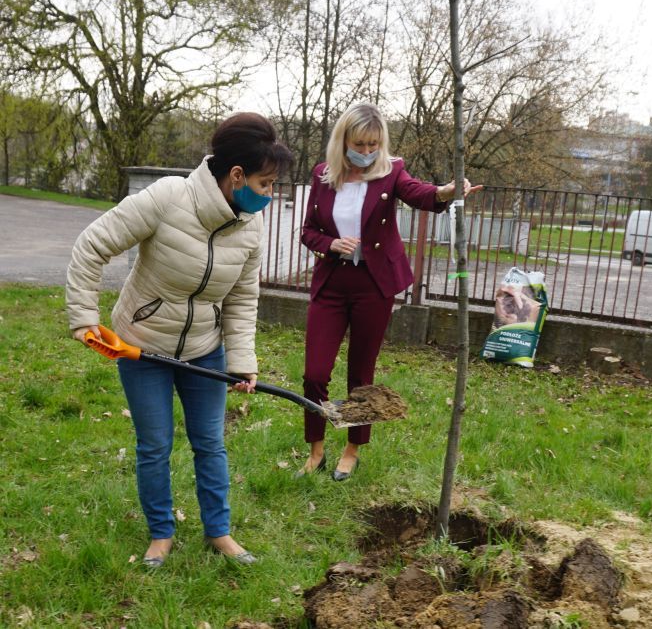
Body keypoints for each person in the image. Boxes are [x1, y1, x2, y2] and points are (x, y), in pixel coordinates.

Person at [65, 112, 293, 568]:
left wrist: (242, 360)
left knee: (210, 442)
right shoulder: (169, 197)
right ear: (236, 175)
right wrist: (84, 318)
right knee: (155, 445)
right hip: (142, 344)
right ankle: (160, 533)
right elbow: (92, 245)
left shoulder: (249, 226)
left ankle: (219, 532)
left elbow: (243, 299)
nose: (269, 194)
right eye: (266, 183)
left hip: (205, 349)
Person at [298, 101, 480, 480]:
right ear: (343, 140)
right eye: (359, 144)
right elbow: (308, 231)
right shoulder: (322, 175)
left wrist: (446, 191)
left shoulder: (391, 171)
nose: (366, 152)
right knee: (315, 372)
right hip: (332, 284)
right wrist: (330, 244)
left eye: (373, 145)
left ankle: (351, 449)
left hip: (373, 285)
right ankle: (316, 450)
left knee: (360, 375)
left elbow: (419, 194)